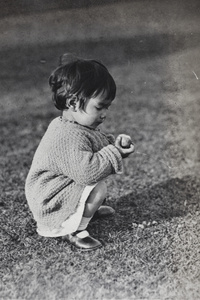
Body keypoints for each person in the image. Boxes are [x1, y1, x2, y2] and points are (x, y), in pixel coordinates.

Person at [25, 53, 135, 251]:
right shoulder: (67, 135)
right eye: (100, 107)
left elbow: (94, 145)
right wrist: (115, 153)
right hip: (50, 201)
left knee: (95, 187)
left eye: (107, 107)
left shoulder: (73, 125)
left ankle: (82, 210)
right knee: (97, 187)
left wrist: (115, 147)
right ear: (73, 103)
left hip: (56, 189)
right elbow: (88, 172)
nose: (105, 114)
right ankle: (74, 229)